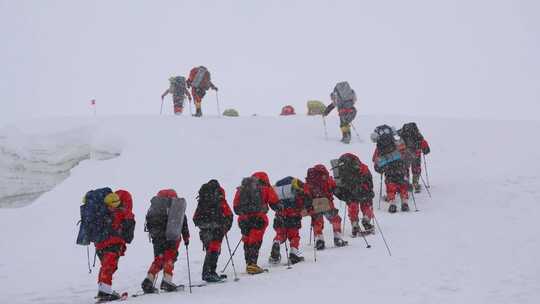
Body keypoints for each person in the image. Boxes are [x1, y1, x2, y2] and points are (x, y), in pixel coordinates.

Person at [141, 189, 190, 293]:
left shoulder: (155, 207)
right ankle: (167, 281)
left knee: (159, 258)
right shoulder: (176, 207)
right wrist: (186, 238)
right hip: (171, 237)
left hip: (157, 237)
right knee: (170, 258)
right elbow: (183, 223)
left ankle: (149, 280)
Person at [233, 172, 280, 274]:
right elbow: (275, 203)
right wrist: (280, 208)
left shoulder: (242, 188)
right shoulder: (265, 187)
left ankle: (249, 264)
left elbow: (236, 207)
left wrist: (245, 212)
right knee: (256, 240)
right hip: (259, 218)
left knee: (247, 239)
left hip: (243, 219)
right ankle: (252, 264)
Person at [94, 190, 136, 302]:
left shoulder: (104, 210)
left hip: (99, 244)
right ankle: (105, 291)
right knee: (109, 266)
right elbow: (128, 236)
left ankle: (102, 289)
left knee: (105, 266)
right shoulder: (125, 212)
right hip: (113, 243)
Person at [193, 180, 233, 282]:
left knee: (210, 249)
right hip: (217, 228)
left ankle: (210, 272)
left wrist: (205, 224)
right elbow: (229, 214)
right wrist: (226, 227)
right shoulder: (219, 199)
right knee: (214, 249)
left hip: (204, 228)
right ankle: (209, 273)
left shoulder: (202, 200)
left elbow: (195, 218)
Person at [304, 164, 348, 250]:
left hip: (315, 204)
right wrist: (344, 196)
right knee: (335, 219)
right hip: (326, 203)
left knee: (317, 222)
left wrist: (308, 206)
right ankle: (337, 238)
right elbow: (336, 189)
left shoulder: (309, 182)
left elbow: (306, 194)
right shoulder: (328, 179)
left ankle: (319, 239)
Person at [269, 177, 311, 265]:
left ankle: (276, 242)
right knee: (294, 236)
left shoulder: (279, 188)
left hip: (280, 216)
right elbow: (304, 202)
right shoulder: (298, 189)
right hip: (293, 217)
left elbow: (273, 202)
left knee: (281, 234)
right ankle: (293, 255)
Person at [332, 153, 375, 236]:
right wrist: (369, 191)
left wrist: (343, 194)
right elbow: (369, 180)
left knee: (353, 205)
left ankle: (354, 223)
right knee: (366, 204)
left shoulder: (342, 169)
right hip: (363, 189)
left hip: (350, 190)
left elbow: (340, 184)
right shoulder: (363, 167)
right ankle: (366, 218)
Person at [371, 125, 410, 213]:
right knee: (402, 183)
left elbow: (375, 160)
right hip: (400, 167)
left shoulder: (379, 147)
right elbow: (404, 153)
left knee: (390, 185)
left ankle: (392, 203)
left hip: (388, 170)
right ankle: (404, 201)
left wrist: (380, 167)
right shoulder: (396, 142)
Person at [398, 122, 431, 192]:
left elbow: (398, 143)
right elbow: (426, 150)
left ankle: (405, 183)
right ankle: (415, 183)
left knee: (405, 168)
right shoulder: (418, 135)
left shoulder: (403, 134)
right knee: (416, 168)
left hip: (405, 154)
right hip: (416, 154)